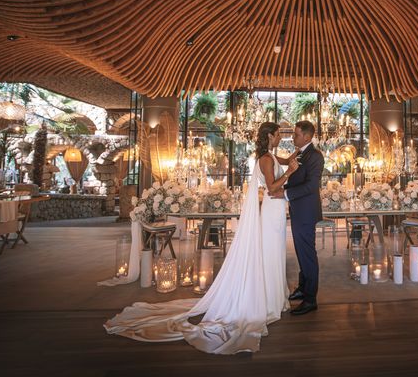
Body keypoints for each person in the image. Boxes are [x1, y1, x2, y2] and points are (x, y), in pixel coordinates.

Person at [104, 122, 299, 354]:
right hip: (270, 210)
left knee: (275, 254)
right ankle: (266, 300)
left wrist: (301, 150)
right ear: (270, 136)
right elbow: (270, 187)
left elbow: (289, 160)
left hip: (277, 212)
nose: (280, 138)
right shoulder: (266, 160)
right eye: (278, 135)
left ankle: (274, 297)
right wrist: (289, 173)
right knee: (269, 254)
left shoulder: (273, 157)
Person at [269, 120, 324, 316]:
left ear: (307, 137)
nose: (293, 137)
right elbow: (289, 168)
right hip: (299, 209)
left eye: (296, 134)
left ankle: (310, 299)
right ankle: (302, 288)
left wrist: (284, 194)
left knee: (307, 254)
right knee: (301, 252)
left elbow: (311, 186)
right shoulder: (301, 152)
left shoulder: (315, 156)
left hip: (306, 211)